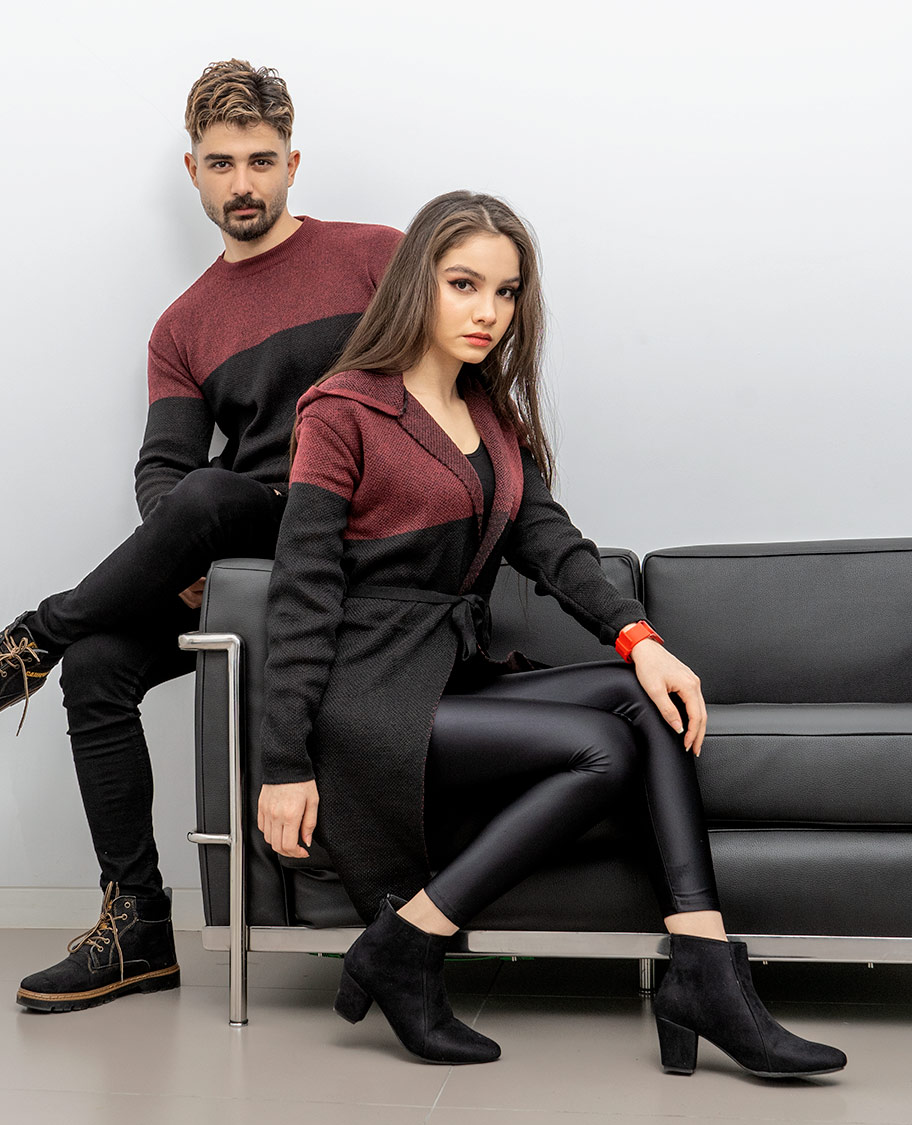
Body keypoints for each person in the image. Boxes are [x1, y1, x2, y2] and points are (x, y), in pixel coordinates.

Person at [257, 191, 847, 1077]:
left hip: (447, 678)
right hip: (371, 700)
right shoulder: (340, 411)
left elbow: (553, 547)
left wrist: (642, 639)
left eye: (506, 292)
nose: (488, 312)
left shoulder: (490, 417)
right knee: (601, 750)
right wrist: (284, 762)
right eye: (464, 285)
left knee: (638, 696)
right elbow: (301, 594)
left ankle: (703, 968)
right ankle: (408, 940)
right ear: (416, 282)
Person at [0, 60, 402, 1013]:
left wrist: (200, 523)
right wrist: (180, 559)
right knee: (99, 666)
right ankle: (136, 927)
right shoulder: (183, 325)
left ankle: (30, 639)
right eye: (223, 163)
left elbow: (442, 390)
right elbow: (163, 471)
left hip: (361, 530)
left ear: (294, 163)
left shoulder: (376, 257)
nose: (243, 184)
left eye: (261, 161)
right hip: (250, 554)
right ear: (192, 170)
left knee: (202, 503)